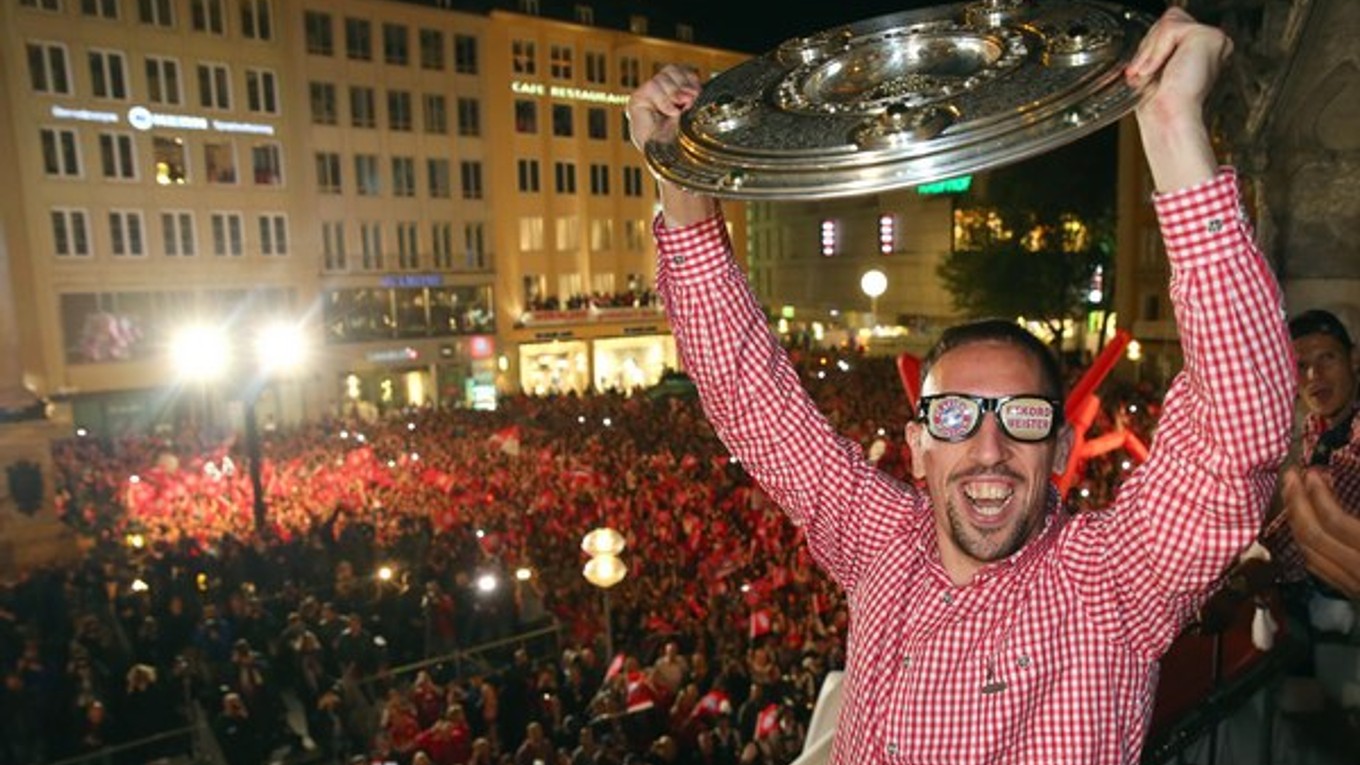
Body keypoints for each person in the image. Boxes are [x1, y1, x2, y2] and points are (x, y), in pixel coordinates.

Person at [626, 8, 1294, 764]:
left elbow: (1240, 432)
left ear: (1064, 444)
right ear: (916, 446)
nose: (988, 445)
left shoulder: (1110, 583)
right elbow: (750, 395)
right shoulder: (879, 542)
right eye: (953, 414)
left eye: (1022, 416)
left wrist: (1174, 130)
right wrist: (680, 185)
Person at [1281, 308, 1360, 599]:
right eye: (1301, 366)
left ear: (1353, 359)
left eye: (1327, 358)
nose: (1314, 375)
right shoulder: (1315, 426)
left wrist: (1261, 561)